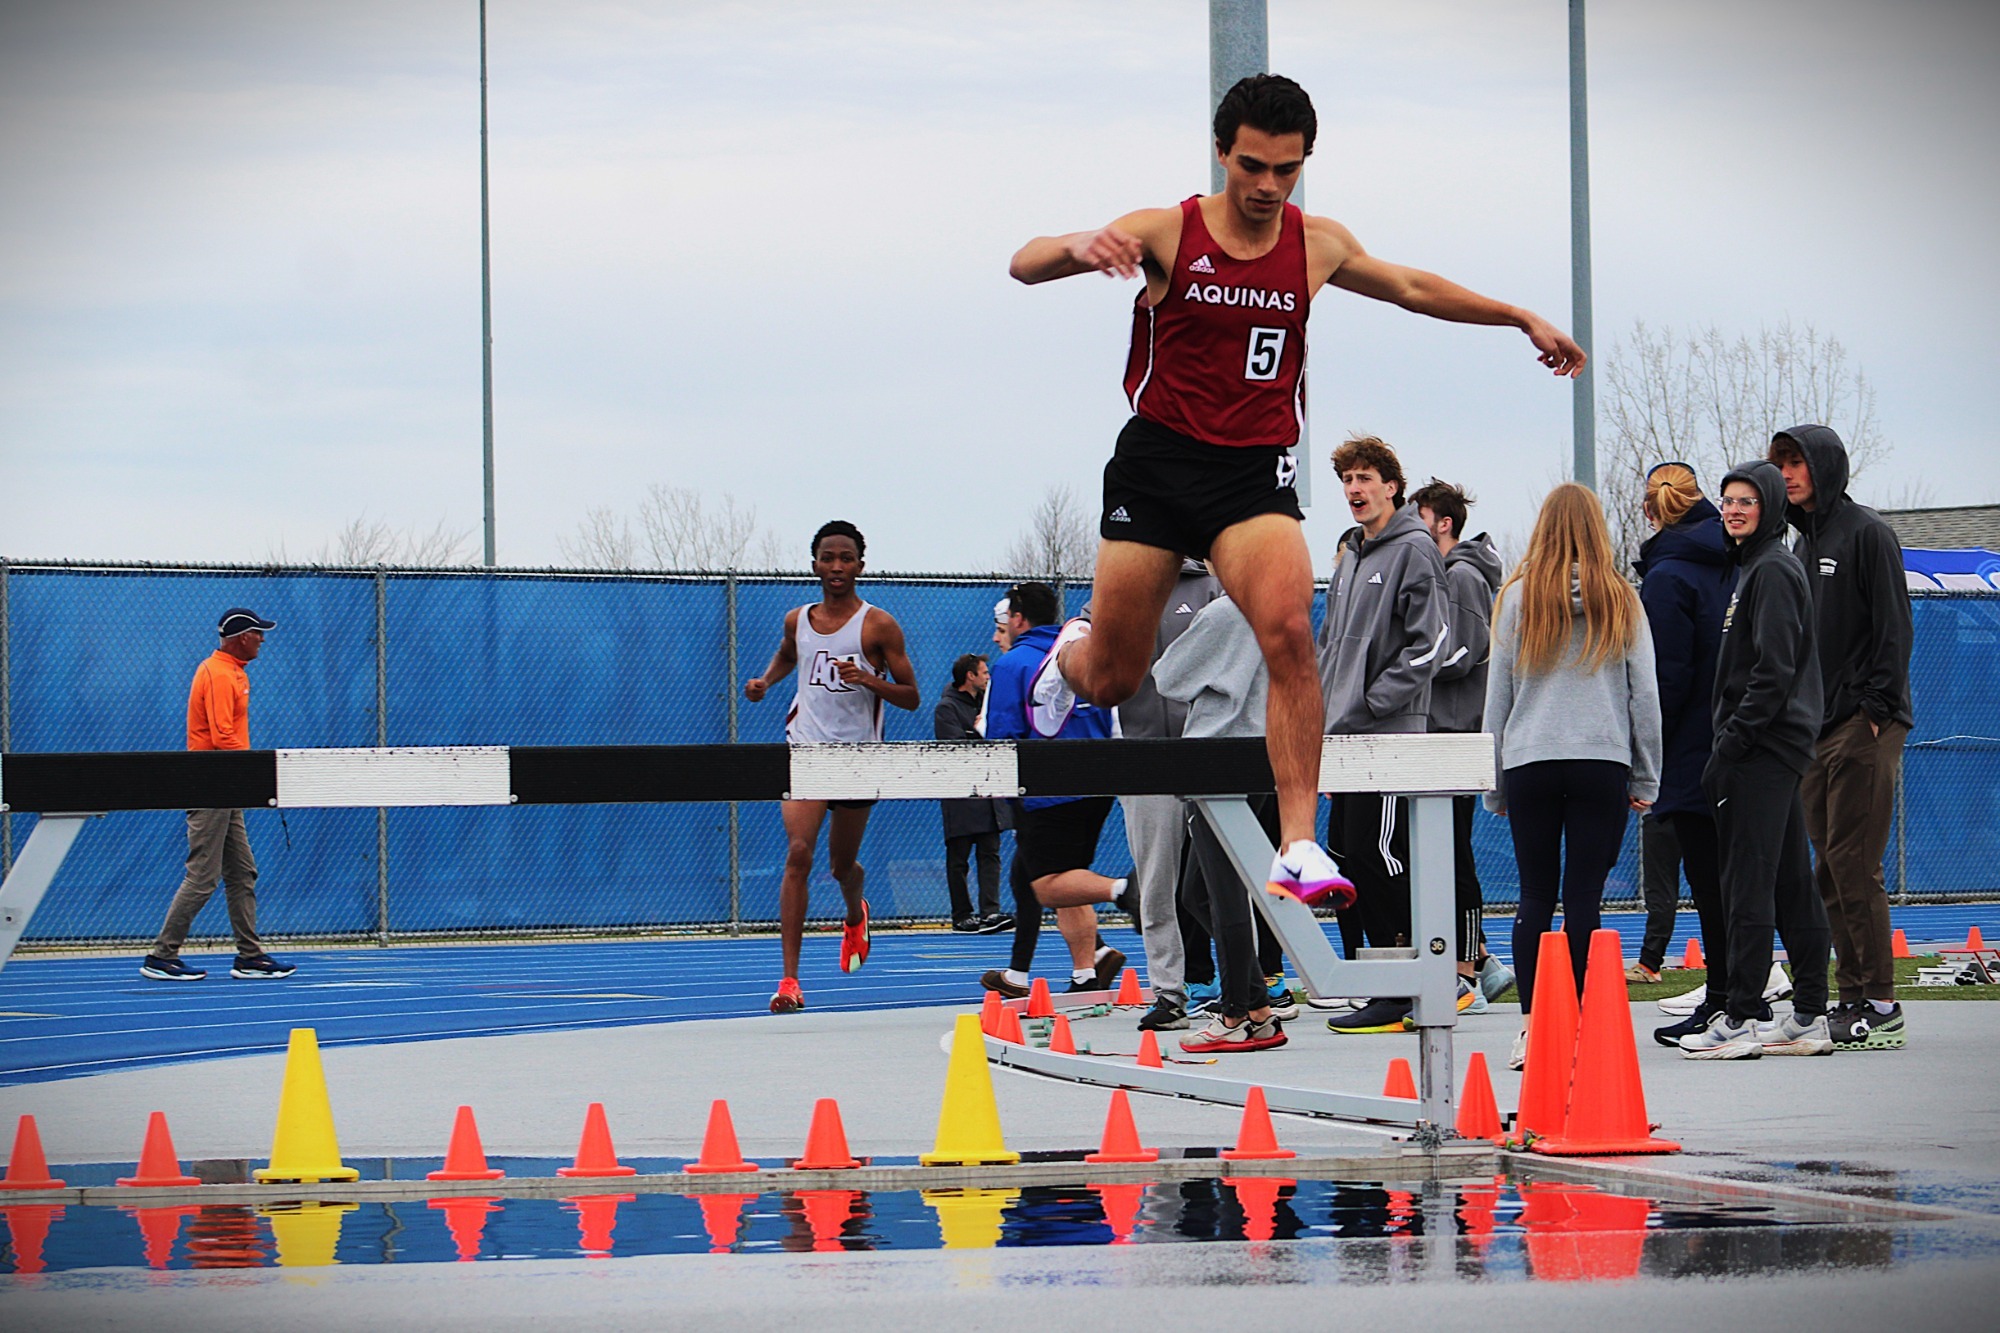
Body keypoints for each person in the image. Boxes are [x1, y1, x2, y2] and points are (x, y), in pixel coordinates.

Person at [1008, 73, 1583, 921]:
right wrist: (1080, 247)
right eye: (1252, 167)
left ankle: (1300, 842)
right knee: (1115, 677)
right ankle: (1071, 654)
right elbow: (1025, 264)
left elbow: (1416, 288)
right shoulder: (1169, 229)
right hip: (1158, 467)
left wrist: (1518, 316)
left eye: (1286, 169)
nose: (1268, 187)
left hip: (1251, 473)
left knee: (1288, 634)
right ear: (1221, 151)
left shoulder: (1316, 244)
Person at [1482, 484, 1662, 1072]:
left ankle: (1535, 1030)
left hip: (1530, 757)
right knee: (1583, 897)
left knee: (1534, 896)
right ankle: (1581, 1027)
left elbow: (1498, 696)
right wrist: (1646, 775)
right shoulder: (1622, 600)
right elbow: (1645, 699)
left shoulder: (1516, 601)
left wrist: (1496, 781)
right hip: (1600, 759)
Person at [1679, 461, 1834, 1059]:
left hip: (1763, 749)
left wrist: (1733, 743)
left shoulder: (1772, 569)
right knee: (1793, 882)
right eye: (1727, 500)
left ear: (1769, 505)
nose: (1735, 509)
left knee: (1746, 883)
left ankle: (1741, 1017)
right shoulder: (1756, 568)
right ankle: (1809, 1015)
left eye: (1747, 500)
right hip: (1770, 746)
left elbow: (1774, 671)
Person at [1771, 426, 1915, 1052]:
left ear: (1824, 466)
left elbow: (1893, 625)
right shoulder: (1800, 546)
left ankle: (1880, 1002)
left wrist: (1878, 707)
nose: (1788, 473)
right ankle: (1851, 993)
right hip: (1816, 728)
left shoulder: (1867, 533)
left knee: (1856, 863)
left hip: (1864, 723)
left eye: (1797, 461)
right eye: (1780, 464)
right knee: (1828, 866)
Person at [744, 520, 919, 1013]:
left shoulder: (878, 625)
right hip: (806, 749)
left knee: (842, 865)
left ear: (861, 564)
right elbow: (786, 655)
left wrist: (867, 679)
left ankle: (854, 912)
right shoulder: (796, 619)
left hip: (858, 756)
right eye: (828, 557)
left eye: (846, 558)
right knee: (799, 852)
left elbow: (911, 697)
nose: (837, 566)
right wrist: (764, 682)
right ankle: (790, 981)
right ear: (814, 563)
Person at [1316, 437, 1443, 1035]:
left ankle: (1408, 981)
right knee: (1346, 853)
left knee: (1378, 851)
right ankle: (1386, 980)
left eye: (1364, 477)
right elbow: (1329, 648)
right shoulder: (1352, 558)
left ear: (1392, 485)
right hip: (1343, 739)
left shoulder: (1414, 552)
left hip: (1388, 737)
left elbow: (1433, 643)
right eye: (1346, 480)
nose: (1354, 490)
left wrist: (1372, 701)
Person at [1629, 463, 1743, 1045]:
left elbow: (1665, 679)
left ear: (1651, 513)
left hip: (1689, 751)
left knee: (1708, 884)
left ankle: (1726, 1001)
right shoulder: (1731, 560)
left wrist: (1642, 747)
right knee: (1734, 881)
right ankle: (1737, 996)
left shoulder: (1669, 576)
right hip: (1734, 739)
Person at [978, 582, 1136, 996]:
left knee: (1045, 883)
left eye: (1002, 624)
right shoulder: (1082, 652)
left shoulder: (1014, 664)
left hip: (1047, 789)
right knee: (1067, 877)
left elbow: (1004, 735)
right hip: (1099, 784)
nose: (999, 634)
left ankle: (1125, 891)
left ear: (1016, 618)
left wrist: (1006, 794)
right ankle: (1089, 968)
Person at [1155, 594, 1287, 1052]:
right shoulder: (1275, 608)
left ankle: (1235, 1013)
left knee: (1222, 895)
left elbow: (1167, 677)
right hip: (1258, 756)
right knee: (1197, 892)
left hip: (1221, 756)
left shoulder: (1224, 613)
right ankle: (1257, 1006)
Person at [140, 608, 296, 981]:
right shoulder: (221, 674)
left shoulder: (230, 671)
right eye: (259, 633)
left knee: (242, 872)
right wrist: (253, 770)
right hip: (213, 781)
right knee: (203, 876)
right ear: (242, 636)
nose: (263, 639)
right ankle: (162, 955)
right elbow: (223, 735)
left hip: (227, 783)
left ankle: (250, 956)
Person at [1409, 476, 1512, 1010]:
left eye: (1419, 516)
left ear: (1442, 522)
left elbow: (1463, 653)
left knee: (1454, 854)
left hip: (1454, 733)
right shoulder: (1441, 574)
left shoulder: (1465, 575)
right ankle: (1481, 959)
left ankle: (1467, 963)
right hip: (1435, 730)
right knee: (1432, 852)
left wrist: (1402, 668)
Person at [1116, 558, 1225, 1031]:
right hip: (1144, 756)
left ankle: (1255, 985)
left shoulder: (1211, 586)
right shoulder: (1123, 582)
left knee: (1223, 879)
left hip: (1206, 749)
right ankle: (1169, 992)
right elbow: (1086, 629)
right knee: (1157, 882)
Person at [934, 653, 1014, 934]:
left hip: (990, 790)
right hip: (961, 794)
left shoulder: (987, 703)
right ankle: (962, 915)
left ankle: (990, 912)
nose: (987, 677)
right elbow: (953, 745)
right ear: (970, 676)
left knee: (990, 853)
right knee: (959, 857)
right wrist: (979, 732)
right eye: (983, 672)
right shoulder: (947, 708)